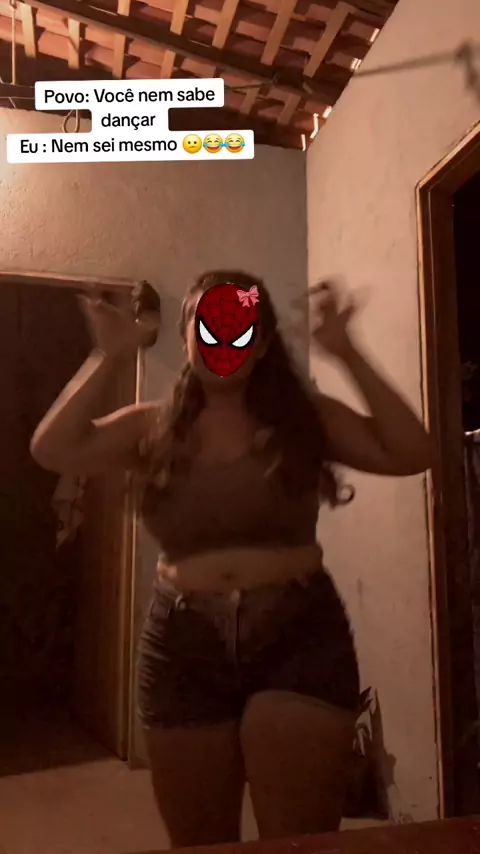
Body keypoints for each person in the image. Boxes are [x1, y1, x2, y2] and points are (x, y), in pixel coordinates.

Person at [30, 270, 432, 848]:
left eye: (239, 329)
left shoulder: (304, 420)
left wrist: (347, 352)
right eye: (207, 326)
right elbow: (52, 448)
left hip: (296, 634)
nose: (222, 342)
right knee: (202, 844)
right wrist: (109, 355)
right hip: (182, 642)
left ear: (262, 343)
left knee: (298, 842)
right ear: (186, 336)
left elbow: (412, 451)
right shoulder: (151, 425)